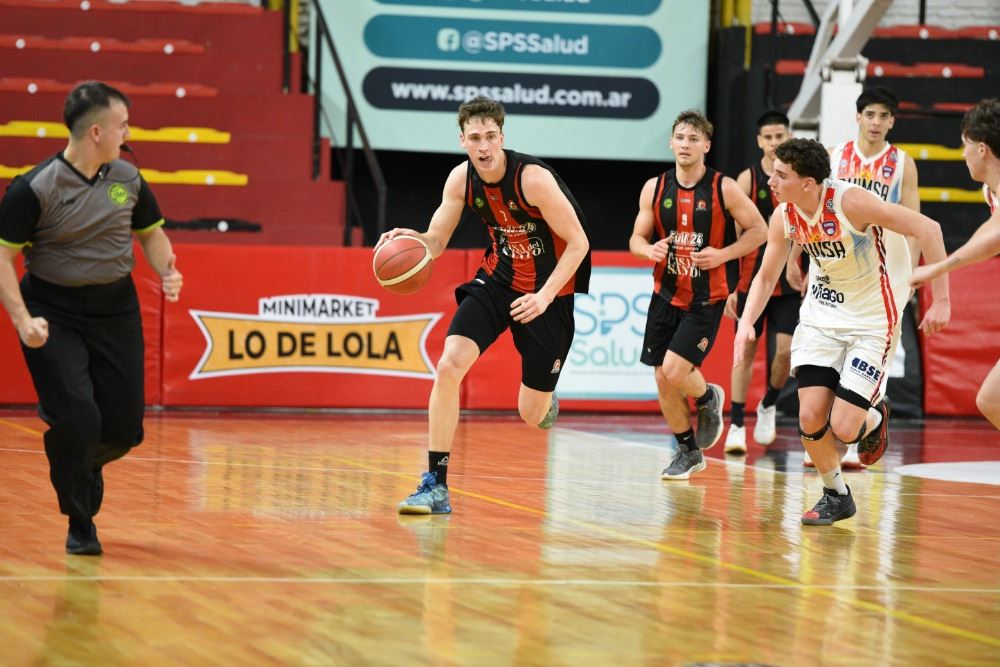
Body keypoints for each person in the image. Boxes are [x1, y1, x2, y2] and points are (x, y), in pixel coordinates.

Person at [378, 96, 591, 515]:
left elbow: (579, 242)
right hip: (497, 281)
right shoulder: (461, 180)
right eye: (475, 138)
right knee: (449, 365)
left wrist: (544, 296)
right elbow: (437, 241)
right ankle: (435, 485)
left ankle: (546, 401)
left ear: (502, 137)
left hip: (547, 295)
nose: (484, 146)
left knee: (531, 413)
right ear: (462, 140)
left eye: (491, 136)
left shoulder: (533, 180)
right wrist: (414, 239)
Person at [0, 81, 183, 554]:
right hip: (52, 310)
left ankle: (79, 460)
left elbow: (151, 234)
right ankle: (80, 521)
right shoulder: (33, 188)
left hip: (115, 309)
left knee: (124, 430)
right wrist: (22, 320)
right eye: (123, 125)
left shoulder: (128, 179)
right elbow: (3, 257)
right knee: (79, 417)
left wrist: (167, 270)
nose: (129, 134)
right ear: (96, 132)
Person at [735, 138, 950, 525]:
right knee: (810, 418)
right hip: (822, 317)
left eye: (781, 175)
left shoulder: (851, 203)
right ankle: (836, 495)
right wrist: (745, 323)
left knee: (845, 428)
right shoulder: (783, 215)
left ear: (808, 183)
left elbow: (929, 228)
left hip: (871, 320)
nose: (771, 180)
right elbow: (765, 277)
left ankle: (875, 418)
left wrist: (942, 300)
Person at [629, 110, 768, 480]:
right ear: (670, 142)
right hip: (664, 294)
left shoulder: (724, 188)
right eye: (680, 137)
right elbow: (636, 238)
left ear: (706, 145)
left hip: (705, 298)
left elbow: (759, 230)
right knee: (662, 377)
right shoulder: (655, 188)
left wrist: (723, 254)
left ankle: (708, 398)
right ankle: (688, 451)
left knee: (675, 369)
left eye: (693, 139)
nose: (685, 144)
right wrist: (649, 250)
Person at [815, 86, 923, 467]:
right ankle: (838, 432)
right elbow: (815, 209)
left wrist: (910, 276)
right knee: (833, 347)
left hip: (884, 268)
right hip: (839, 266)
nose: (876, 122)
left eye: (884, 116)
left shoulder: (903, 163)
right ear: (858, 117)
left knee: (875, 350)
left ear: (892, 121)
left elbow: (915, 224)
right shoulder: (835, 156)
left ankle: (851, 432)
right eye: (870, 114)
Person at [910, 98, 1000, 429]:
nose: (962, 155)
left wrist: (938, 268)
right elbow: (991, 230)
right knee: (991, 400)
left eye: (965, 145)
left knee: (991, 399)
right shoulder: (991, 191)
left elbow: (995, 239)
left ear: (982, 149)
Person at [723, 111, 801, 454]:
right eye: (768, 137)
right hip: (750, 279)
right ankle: (737, 423)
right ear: (759, 141)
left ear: (789, 137)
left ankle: (769, 403)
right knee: (745, 350)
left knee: (786, 352)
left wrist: (799, 262)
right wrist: (729, 286)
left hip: (789, 282)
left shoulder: (799, 178)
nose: (774, 142)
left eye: (779, 136)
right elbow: (732, 235)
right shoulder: (748, 179)